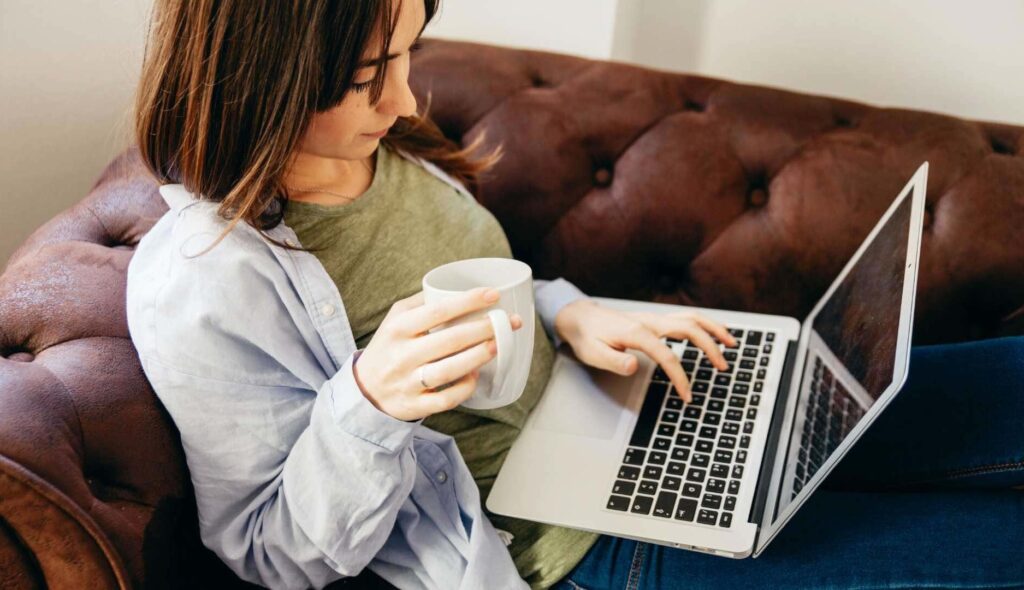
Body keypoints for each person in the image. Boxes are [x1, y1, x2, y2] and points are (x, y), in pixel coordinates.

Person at [124, 1, 1024, 589]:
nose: (403, 98)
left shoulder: (379, 148)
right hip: (574, 547)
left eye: (407, 54)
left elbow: (500, 288)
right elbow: (267, 549)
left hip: (622, 403)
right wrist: (368, 404)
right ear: (263, 83)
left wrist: (571, 310)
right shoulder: (200, 287)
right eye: (369, 78)